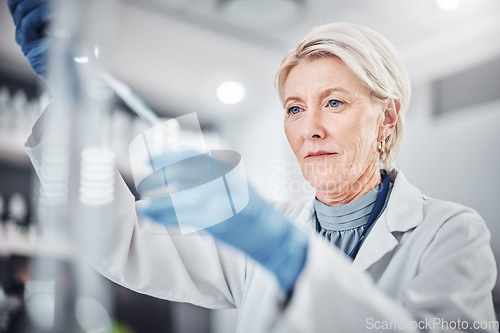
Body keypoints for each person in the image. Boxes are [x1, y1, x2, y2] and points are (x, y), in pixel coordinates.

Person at [8, 0, 498, 332]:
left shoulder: (449, 233)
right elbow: (120, 240)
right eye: (294, 108)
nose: (310, 129)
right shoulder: (267, 229)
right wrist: (71, 101)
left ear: (386, 117)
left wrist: (290, 258)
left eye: (333, 103)